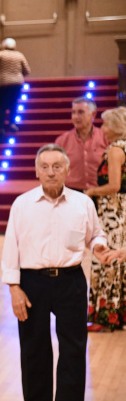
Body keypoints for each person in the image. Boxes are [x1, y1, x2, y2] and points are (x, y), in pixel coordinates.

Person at [2, 144, 109, 401]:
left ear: (67, 170)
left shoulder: (82, 203)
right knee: (34, 349)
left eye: (57, 166)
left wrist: (99, 245)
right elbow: (12, 247)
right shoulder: (22, 205)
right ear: (36, 171)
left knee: (74, 350)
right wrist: (14, 288)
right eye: (45, 166)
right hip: (31, 282)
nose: (51, 172)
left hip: (71, 281)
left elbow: (96, 233)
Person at [84, 107, 126, 332]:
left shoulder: (114, 150)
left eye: (106, 124)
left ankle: (106, 317)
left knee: (106, 258)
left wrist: (91, 191)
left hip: (113, 213)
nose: (102, 128)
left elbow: (114, 186)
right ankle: (119, 314)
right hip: (123, 212)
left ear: (116, 127)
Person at [55, 97, 109, 191]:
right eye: (73, 112)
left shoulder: (105, 138)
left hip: (100, 192)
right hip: (72, 194)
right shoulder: (62, 141)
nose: (76, 117)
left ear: (93, 115)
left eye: (80, 112)